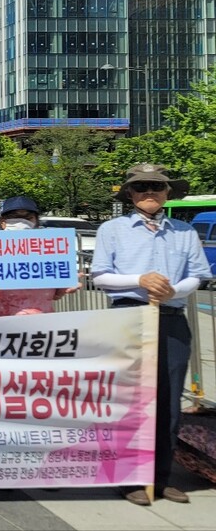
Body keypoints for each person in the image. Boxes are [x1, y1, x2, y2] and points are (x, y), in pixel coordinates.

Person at [91, 164, 211, 506]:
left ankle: (160, 478)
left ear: (168, 192)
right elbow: (101, 276)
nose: (149, 192)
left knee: (169, 403)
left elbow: (197, 276)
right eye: (141, 186)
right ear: (130, 192)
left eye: (156, 187)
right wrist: (139, 280)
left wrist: (171, 291)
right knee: (130, 403)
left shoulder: (184, 233)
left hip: (171, 320)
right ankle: (128, 478)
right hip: (128, 316)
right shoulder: (111, 229)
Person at [0, 196, 78, 317]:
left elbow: (55, 295)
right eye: (14, 217)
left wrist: (67, 284)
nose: (22, 223)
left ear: (36, 222)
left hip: (40, 326)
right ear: (3, 223)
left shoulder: (49, 253)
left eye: (28, 218)